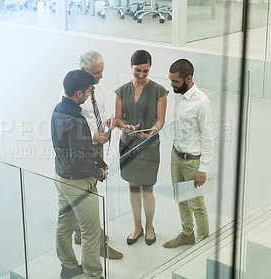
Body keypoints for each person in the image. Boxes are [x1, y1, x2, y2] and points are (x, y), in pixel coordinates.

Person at [67, 50, 123, 260]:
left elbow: (101, 114)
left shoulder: (98, 89)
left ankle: (82, 234)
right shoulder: (74, 94)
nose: (101, 76)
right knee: (89, 196)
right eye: (97, 72)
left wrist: (113, 122)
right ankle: (96, 241)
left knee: (90, 190)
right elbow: (71, 127)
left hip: (98, 147)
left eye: (102, 71)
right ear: (83, 71)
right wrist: (93, 137)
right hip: (85, 148)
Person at [52, 70, 106, 279]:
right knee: (90, 233)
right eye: (89, 91)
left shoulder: (57, 109)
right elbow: (79, 158)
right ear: (80, 93)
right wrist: (97, 171)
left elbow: (67, 149)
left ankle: (68, 267)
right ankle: (93, 275)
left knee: (64, 225)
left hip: (61, 177)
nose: (90, 94)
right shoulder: (77, 119)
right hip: (79, 183)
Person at [114, 50, 167, 246]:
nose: (142, 75)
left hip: (149, 144)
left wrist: (152, 131)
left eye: (145, 70)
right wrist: (124, 126)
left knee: (147, 188)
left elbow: (161, 120)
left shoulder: (159, 91)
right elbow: (118, 119)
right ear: (131, 65)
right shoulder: (121, 91)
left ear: (150, 67)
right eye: (138, 70)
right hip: (128, 144)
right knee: (133, 187)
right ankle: (137, 227)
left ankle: (150, 226)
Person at [163, 59, 215, 248]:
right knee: (181, 199)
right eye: (170, 80)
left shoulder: (201, 103)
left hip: (193, 163)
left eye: (175, 81)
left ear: (189, 78)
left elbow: (209, 138)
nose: (172, 85)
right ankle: (187, 234)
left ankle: (202, 245)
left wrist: (203, 169)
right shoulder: (178, 94)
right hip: (176, 156)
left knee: (197, 205)